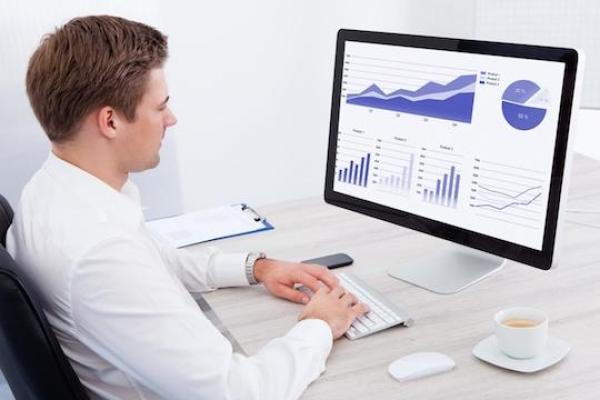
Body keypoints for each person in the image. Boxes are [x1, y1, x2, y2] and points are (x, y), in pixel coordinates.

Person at [6, 15, 368, 400]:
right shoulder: (100, 253)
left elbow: (156, 261)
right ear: (110, 121)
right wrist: (319, 325)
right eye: (160, 107)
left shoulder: (52, 189)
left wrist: (257, 268)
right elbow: (239, 393)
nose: (171, 119)